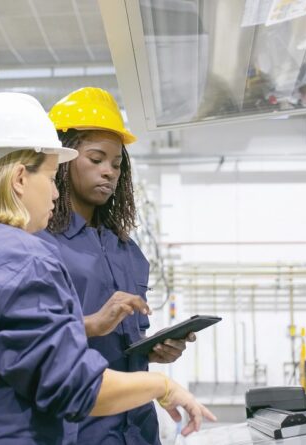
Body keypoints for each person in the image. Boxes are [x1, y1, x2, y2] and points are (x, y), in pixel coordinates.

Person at [0, 92, 214, 445]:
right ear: (20, 178)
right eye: (53, 177)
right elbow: (73, 386)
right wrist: (163, 386)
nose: (55, 193)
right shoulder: (20, 256)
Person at [43, 87, 197, 445]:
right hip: (78, 428)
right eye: (96, 159)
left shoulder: (128, 251)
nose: (108, 172)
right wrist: (93, 324)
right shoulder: (39, 245)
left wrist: (156, 348)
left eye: (116, 164)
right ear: (62, 161)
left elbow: (129, 342)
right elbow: (31, 340)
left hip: (136, 429)